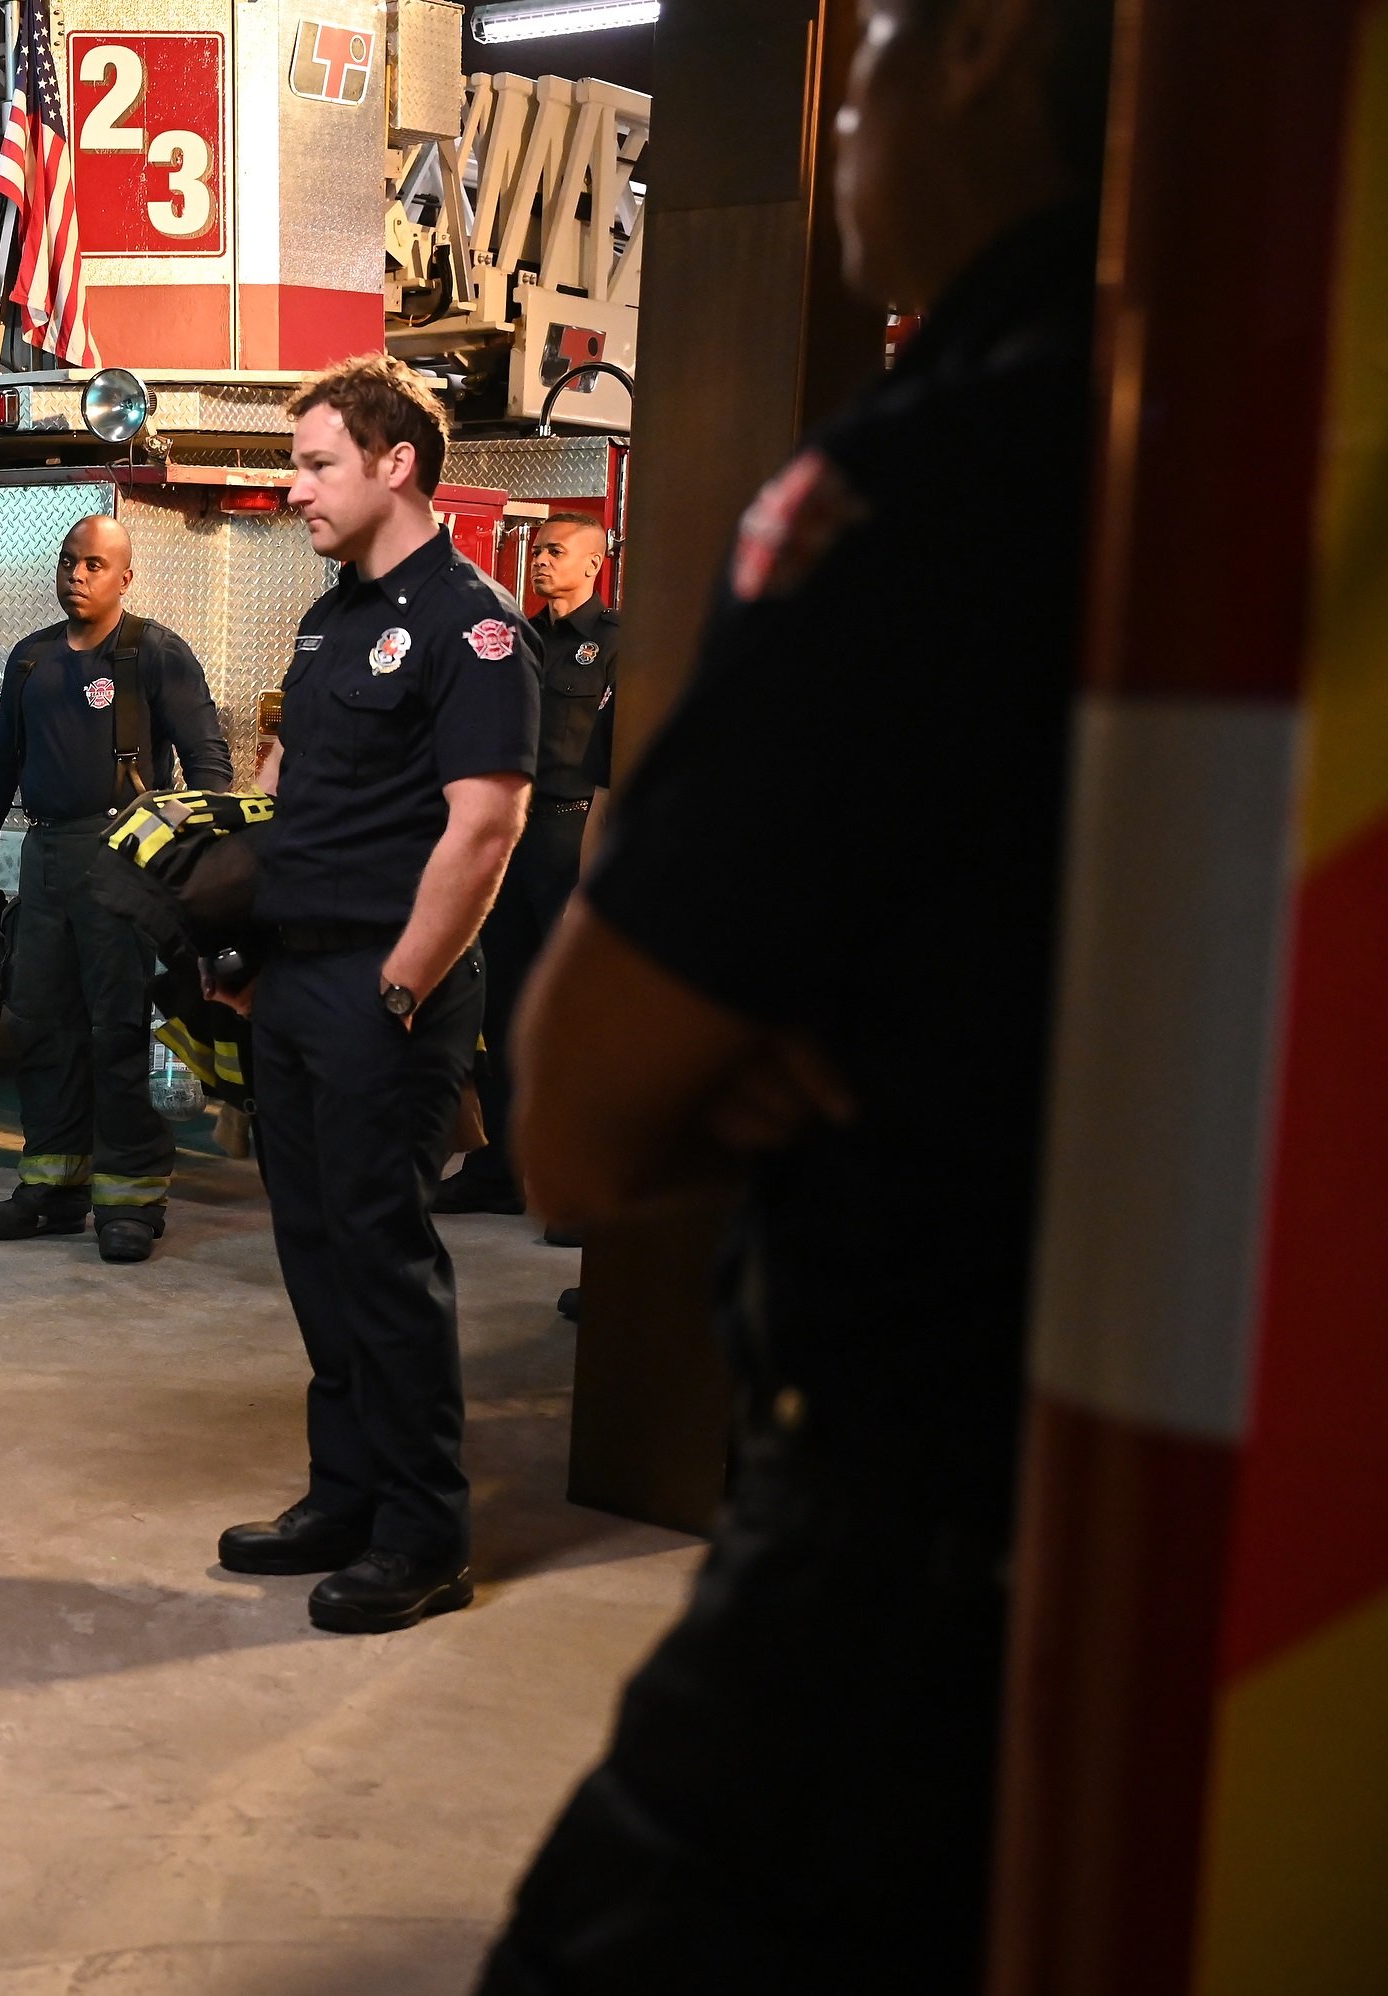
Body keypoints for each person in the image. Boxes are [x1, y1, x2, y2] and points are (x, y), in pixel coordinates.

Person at [477, 0, 1110, 1982]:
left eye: (884, 30)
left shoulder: (948, 472)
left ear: (989, 41)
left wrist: (780, 1026)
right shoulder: (1249, 429)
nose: (843, 107)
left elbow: (579, 1115)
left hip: (916, 1529)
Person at [213, 354, 536, 1635]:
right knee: (314, 1249)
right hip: (297, 980)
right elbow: (297, 797)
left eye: (315, 465)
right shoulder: (329, 617)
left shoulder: (472, 624)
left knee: (383, 1258)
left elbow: (485, 825)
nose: (294, 489)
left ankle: (422, 1533)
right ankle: (343, 1495)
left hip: (386, 985)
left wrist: (402, 988)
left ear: (396, 463)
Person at [0, 514, 233, 1264]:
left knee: (122, 1028)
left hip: (125, 863)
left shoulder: (155, 653)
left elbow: (209, 767)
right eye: (68, 562)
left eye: (95, 565)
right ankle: (51, 1188)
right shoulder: (30, 658)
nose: (77, 575)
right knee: (44, 1025)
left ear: (125, 578)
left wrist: (193, 869)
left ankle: (131, 1200)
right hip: (43, 859)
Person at [440, 514, 616, 1219]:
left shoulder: (619, 645)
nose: (540, 561)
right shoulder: (513, 640)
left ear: (594, 564)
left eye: (555, 552)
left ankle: (573, 1181)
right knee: (500, 1005)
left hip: (572, 838)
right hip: (508, 838)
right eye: (537, 551)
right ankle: (500, 1172)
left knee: (572, 1013)